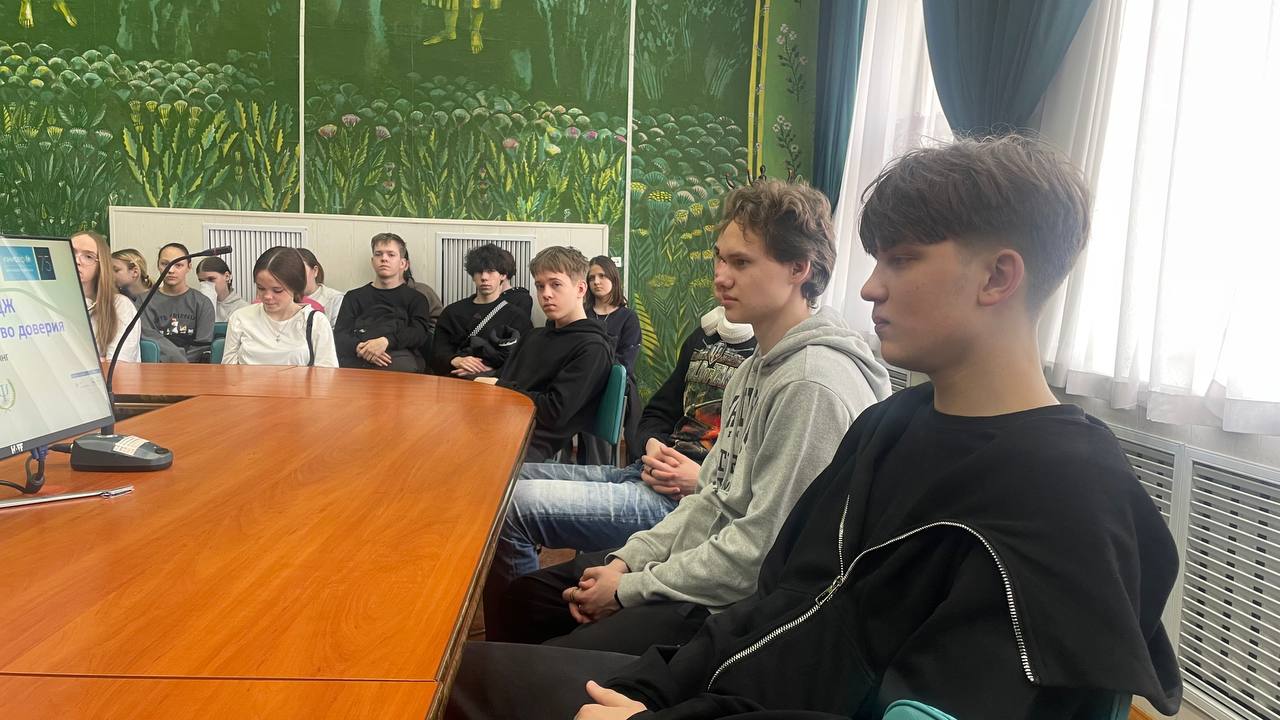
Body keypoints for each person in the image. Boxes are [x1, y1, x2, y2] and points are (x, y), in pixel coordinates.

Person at [446, 137, 1184, 720]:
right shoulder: (891, 427)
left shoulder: (1071, 497)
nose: (869, 286)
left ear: (998, 277)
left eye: (902, 260)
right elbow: (780, 601)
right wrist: (659, 689)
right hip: (731, 681)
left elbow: (905, 698)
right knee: (463, 671)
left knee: (458, 686)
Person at [484, 180, 890, 654]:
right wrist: (627, 561)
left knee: (535, 654)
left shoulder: (810, 385)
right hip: (701, 560)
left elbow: (760, 554)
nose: (720, 277)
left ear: (799, 268)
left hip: (737, 614)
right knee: (525, 598)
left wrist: (628, 590)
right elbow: (709, 501)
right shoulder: (753, 369)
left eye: (741, 263)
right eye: (720, 259)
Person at [483, 305, 757, 639]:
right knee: (500, 479)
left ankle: (502, 645)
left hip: (684, 500)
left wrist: (700, 479)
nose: (722, 280)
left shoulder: (778, 367)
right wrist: (651, 445)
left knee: (510, 506)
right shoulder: (705, 336)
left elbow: (753, 489)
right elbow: (655, 414)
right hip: (644, 471)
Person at [473, 246, 612, 462]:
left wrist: (499, 388)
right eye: (540, 286)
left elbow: (554, 412)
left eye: (555, 284)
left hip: (524, 446)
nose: (545, 294)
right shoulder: (533, 336)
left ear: (580, 289)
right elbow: (504, 377)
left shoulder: (592, 348)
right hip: (494, 427)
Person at [221, 248, 338, 368]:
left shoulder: (316, 322)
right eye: (261, 288)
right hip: (247, 380)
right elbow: (228, 370)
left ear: (295, 287)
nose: (267, 296)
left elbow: (327, 373)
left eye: (277, 290)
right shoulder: (240, 318)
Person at [333, 233, 434, 372]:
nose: (384, 259)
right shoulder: (353, 297)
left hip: (400, 362)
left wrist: (386, 341)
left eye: (391, 255)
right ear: (372, 261)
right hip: (358, 361)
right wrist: (364, 349)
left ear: (403, 264)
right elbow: (340, 335)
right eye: (378, 254)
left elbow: (419, 334)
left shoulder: (417, 298)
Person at [429, 243, 533, 377]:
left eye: (490, 271)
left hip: (495, 384)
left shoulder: (517, 317)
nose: (484, 277)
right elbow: (437, 353)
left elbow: (523, 360)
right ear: (473, 276)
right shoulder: (452, 312)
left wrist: (487, 371)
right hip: (454, 379)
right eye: (479, 271)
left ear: (503, 275)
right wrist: (456, 360)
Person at [136, 242, 215, 363]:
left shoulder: (203, 303)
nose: (171, 270)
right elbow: (148, 337)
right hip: (156, 367)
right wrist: (176, 358)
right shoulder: (144, 301)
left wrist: (182, 365)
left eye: (178, 265)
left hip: (193, 368)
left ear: (189, 267)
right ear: (158, 265)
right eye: (165, 264)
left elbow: (203, 344)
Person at [72, 230, 139, 362]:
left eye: (88, 256)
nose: (76, 261)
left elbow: (117, 365)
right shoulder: (49, 302)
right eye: (71, 252)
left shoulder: (120, 305)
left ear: (101, 265)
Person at [297, 248, 345, 328]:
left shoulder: (335, 298)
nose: (297, 277)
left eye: (301, 271)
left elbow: (338, 332)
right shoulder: (284, 298)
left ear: (315, 271)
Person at [196, 256, 251, 322]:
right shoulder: (197, 307)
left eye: (211, 279)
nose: (206, 285)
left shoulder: (243, 308)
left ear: (227, 276)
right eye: (202, 281)